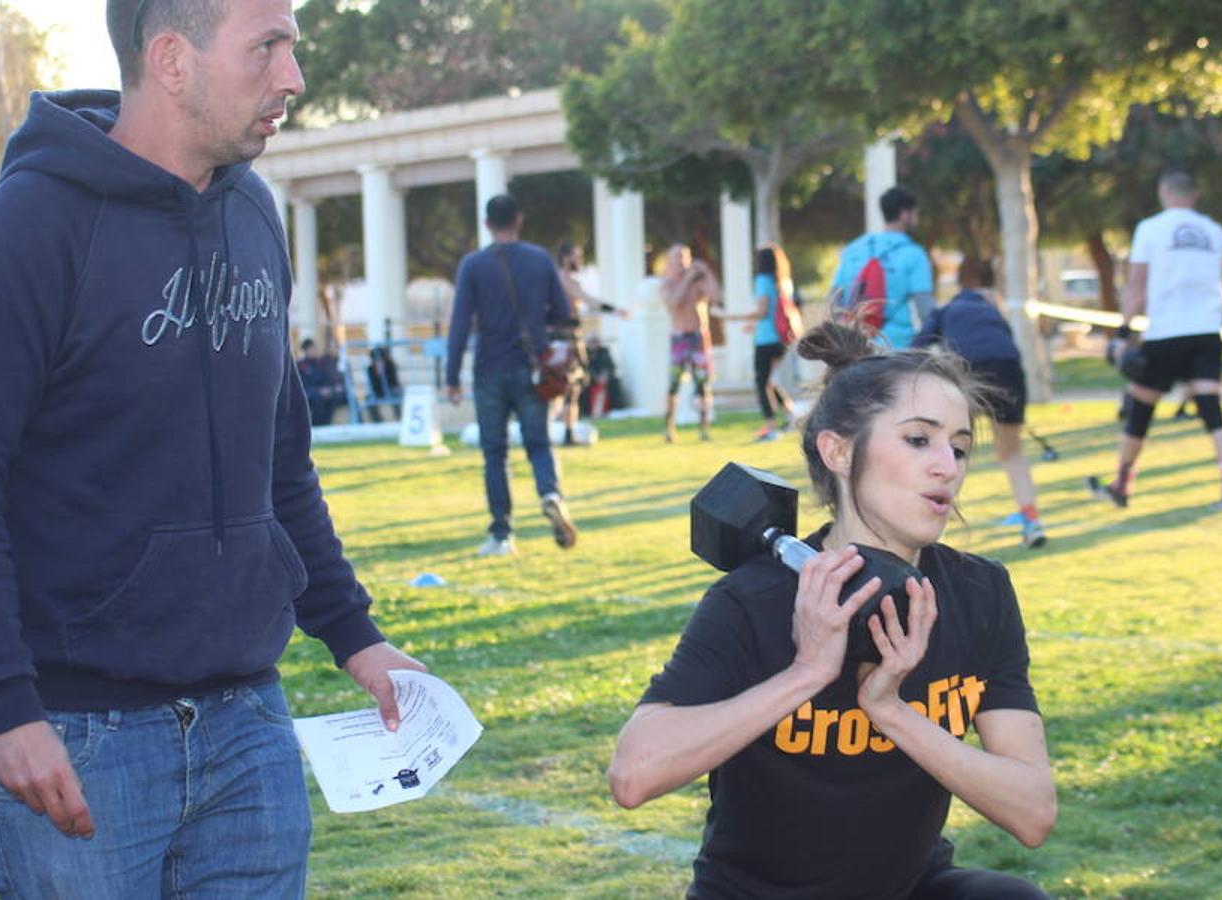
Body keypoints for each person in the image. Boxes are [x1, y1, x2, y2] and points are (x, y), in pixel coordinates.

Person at [0, 1, 428, 895]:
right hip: (79, 736)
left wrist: (356, 637)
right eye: (266, 48)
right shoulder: (31, 223)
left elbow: (282, 460)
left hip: (250, 722)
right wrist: (6, 707)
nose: (293, 78)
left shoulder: (255, 211)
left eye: (291, 47)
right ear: (172, 59)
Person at [609, 321, 1056, 899]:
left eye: (960, 447)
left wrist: (890, 710)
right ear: (838, 450)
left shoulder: (979, 592)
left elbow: (1032, 812)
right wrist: (807, 673)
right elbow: (634, 775)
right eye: (918, 440)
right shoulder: (755, 598)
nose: (948, 465)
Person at [1087, 171, 1222, 510]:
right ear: (1194, 194)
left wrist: (1124, 332)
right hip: (1206, 332)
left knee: (1140, 411)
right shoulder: (1211, 228)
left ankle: (1122, 485)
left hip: (1166, 333)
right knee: (1213, 412)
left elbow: (1136, 285)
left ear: (1165, 193)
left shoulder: (1151, 229)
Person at [446, 194, 578, 556]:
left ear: (487, 224)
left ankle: (502, 534)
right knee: (539, 444)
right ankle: (550, 493)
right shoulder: (539, 259)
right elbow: (563, 313)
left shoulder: (473, 265)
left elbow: (460, 323)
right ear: (519, 220)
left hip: (489, 369)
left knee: (495, 454)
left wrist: (452, 376)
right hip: (533, 368)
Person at [913, 269, 1048, 548]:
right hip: (1010, 371)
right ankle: (1032, 521)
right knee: (1012, 453)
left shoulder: (945, 311)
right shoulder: (993, 313)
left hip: (969, 369)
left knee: (952, 451)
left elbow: (918, 347)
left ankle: (938, 516)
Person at [831, 186, 936, 350]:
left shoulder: (854, 249)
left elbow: (835, 298)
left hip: (856, 348)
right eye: (916, 214)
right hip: (897, 348)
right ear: (905, 214)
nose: (917, 220)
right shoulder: (914, 254)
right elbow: (926, 311)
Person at [553, 241, 628, 445]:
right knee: (570, 387)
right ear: (566, 258)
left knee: (564, 388)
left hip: (561, 339)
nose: (579, 260)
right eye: (576, 256)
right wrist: (615, 310)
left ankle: (565, 431)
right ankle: (567, 433)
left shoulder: (553, 280)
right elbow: (589, 301)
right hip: (568, 341)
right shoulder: (567, 282)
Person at [660, 243, 722, 442]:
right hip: (678, 339)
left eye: (684, 256)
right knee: (673, 385)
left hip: (699, 338)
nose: (681, 261)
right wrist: (686, 279)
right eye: (677, 257)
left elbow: (716, 297)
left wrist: (706, 273)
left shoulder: (698, 282)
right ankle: (669, 428)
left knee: (703, 385)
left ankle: (704, 428)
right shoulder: (667, 284)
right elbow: (673, 303)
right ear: (670, 261)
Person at [744, 243, 797, 442]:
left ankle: (771, 427)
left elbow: (762, 310)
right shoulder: (783, 281)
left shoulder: (762, 280)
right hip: (781, 339)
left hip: (765, 338)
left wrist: (743, 318)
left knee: (761, 382)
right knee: (767, 381)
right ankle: (791, 413)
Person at [297, 337, 344, 426]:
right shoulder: (301, 365)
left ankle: (326, 424)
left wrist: (328, 388)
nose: (315, 350)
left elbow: (325, 379)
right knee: (318, 399)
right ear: (306, 350)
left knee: (333, 397)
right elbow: (303, 384)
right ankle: (317, 424)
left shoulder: (320, 363)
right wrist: (318, 390)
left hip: (320, 390)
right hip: (308, 392)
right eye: (312, 348)